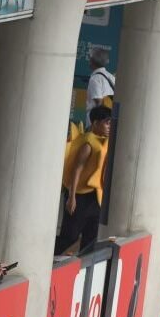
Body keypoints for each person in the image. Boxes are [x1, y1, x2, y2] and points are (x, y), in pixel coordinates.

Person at [55, 105, 112, 255]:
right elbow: (77, 169)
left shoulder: (105, 142)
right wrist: (71, 196)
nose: (109, 127)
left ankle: (84, 264)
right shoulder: (88, 142)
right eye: (107, 123)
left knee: (91, 237)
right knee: (70, 236)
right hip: (80, 196)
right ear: (95, 123)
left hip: (95, 197)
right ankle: (50, 256)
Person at [85, 47, 115, 119]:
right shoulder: (111, 77)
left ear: (92, 61)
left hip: (98, 119)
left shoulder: (95, 78)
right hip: (109, 117)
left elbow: (98, 101)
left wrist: (97, 122)